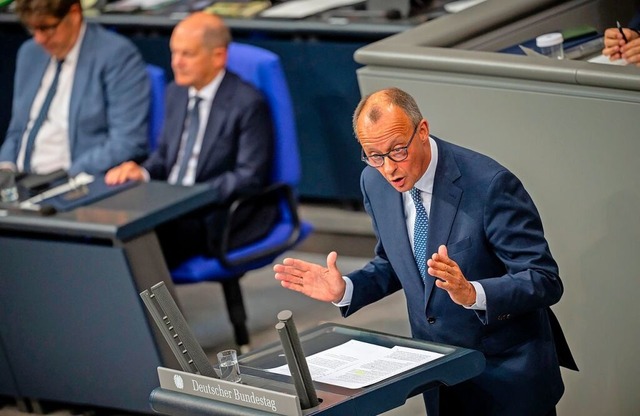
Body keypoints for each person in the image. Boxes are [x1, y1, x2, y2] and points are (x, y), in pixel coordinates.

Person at [274, 87, 577, 415]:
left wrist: (473, 293)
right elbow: (394, 263)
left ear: (422, 131)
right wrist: (346, 288)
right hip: (441, 376)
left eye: (397, 151)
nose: (388, 168)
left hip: (507, 375)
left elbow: (543, 279)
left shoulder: (490, 185)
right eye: (374, 155)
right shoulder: (373, 183)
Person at [105, 12, 275, 268]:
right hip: (169, 204)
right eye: (174, 53)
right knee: (108, 222)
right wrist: (142, 173)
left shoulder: (248, 103)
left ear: (218, 56)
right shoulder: (175, 93)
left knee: (136, 244)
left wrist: (191, 196)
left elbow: (249, 177)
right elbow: (164, 157)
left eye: (187, 54)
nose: (176, 63)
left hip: (214, 212)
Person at [0, 0, 149, 177]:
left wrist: (66, 176)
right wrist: (5, 168)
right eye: (32, 29)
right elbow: (18, 128)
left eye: (47, 28)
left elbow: (127, 142)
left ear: (74, 13)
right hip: (20, 181)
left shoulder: (116, 55)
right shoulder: (29, 53)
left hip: (73, 179)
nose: (39, 39)